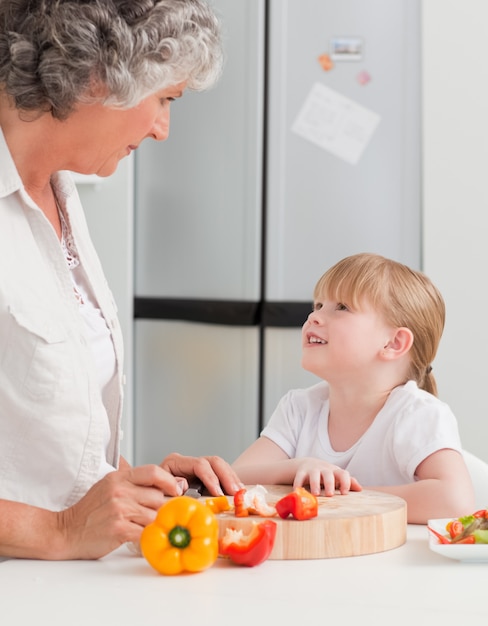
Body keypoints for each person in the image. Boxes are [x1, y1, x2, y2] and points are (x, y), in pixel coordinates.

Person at [0, 0, 243, 561]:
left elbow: (35, 436)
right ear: (99, 77)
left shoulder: (60, 196)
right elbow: (55, 520)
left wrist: (133, 486)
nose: (162, 129)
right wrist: (56, 530)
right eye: (165, 99)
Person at [233, 253, 475, 524]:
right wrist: (296, 467)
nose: (314, 316)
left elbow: (455, 502)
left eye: (342, 308)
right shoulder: (299, 408)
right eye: (318, 304)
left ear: (393, 343)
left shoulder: (416, 413)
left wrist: (342, 497)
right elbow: (236, 478)